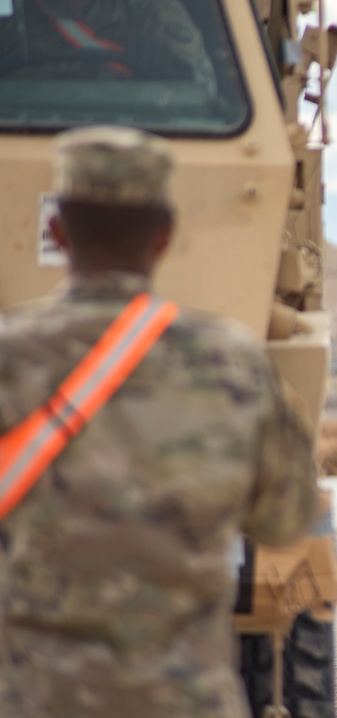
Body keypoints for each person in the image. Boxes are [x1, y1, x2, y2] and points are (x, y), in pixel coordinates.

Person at [0, 125, 319, 717]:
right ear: (165, 236)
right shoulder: (233, 362)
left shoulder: (9, 359)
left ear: (56, 231)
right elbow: (286, 521)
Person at [0, 0, 216, 92]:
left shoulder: (148, 10)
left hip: (130, 139)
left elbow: (202, 91)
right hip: (25, 133)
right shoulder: (12, 14)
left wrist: (166, 72)